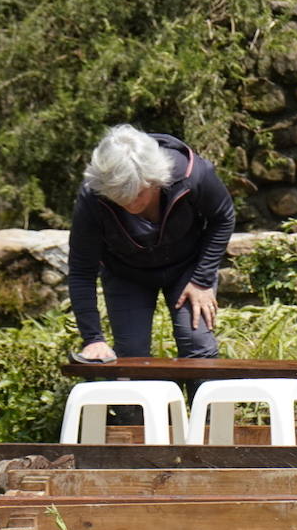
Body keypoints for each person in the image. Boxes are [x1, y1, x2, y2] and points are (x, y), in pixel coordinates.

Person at [68, 124, 235, 360]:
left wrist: (202, 279)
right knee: (132, 353)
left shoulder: (192, 175)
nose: (130, 203)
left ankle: (204, 397)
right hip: (125, 272)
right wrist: (93, 338)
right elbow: (81, 270)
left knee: (198, 343)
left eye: (137, 193)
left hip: (188, 268)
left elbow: (223, 217)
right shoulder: (93, 195)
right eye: (119, 197)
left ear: (155, 179)